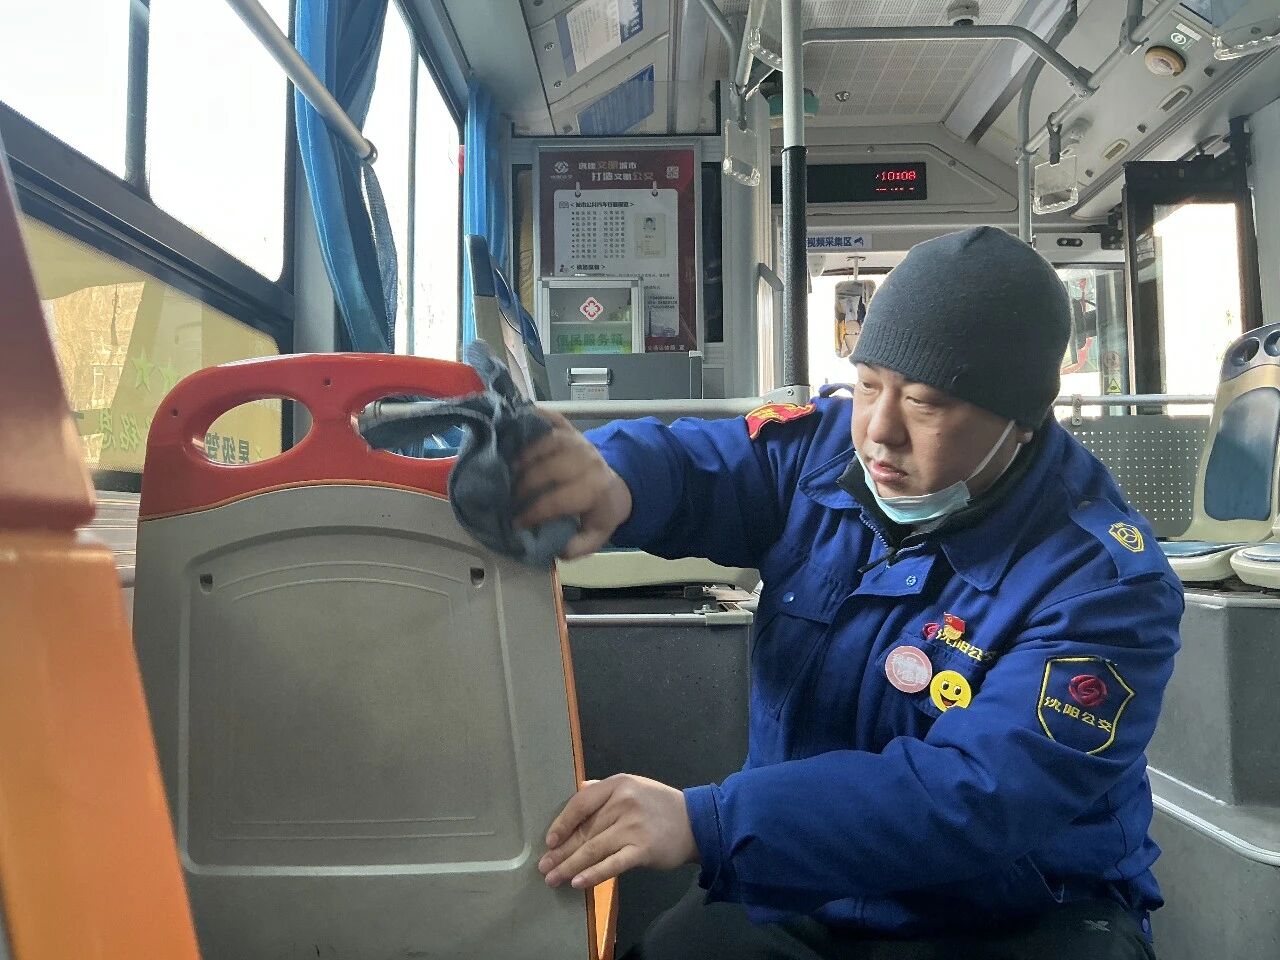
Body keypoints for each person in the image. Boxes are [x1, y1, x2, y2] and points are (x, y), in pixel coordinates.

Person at [513, 227, 1180, 959]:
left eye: (925, 403)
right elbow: (695, 466)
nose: (879, 431)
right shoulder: (820, 452)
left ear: (1020, 422)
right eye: (867, 384)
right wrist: (603, 479)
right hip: (804, 885)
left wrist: (711, 824)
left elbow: (979, 795)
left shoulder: (1102, 584)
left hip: (1012, 915)